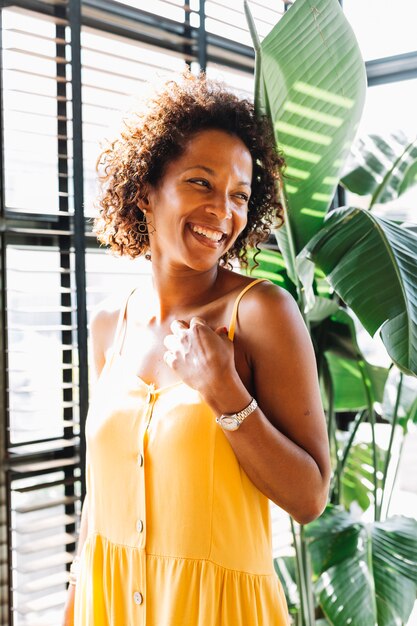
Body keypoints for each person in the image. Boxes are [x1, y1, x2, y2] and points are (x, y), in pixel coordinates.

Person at [62, 69, 331, 626]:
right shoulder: (111, 323)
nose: (223, 213)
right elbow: (99, 500)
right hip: (106, 606)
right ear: (144, 190)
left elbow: (309, 498)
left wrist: (225, 393)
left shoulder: (261, 313)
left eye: (240, 195)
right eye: (201, 183)